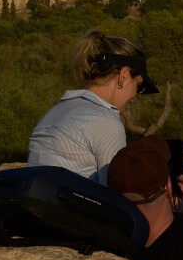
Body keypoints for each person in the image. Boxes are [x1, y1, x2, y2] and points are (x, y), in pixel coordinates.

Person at [27, 30, 159, 182]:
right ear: (124, 75)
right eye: (139, 85)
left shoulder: (53, 113)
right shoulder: (105, 121)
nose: (136, 97)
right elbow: (116, 196)